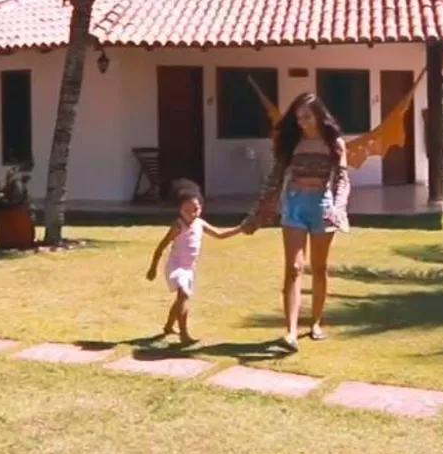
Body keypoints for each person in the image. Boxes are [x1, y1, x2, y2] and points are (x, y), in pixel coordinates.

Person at [241, 93, 349, 351]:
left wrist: (337, 209)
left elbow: (342, 180)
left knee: (319, 268)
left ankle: (316, 323)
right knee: (294, 268)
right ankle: (290, 331)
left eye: (307, 117)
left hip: (322, 205)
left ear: (319, 116)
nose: (302, 122)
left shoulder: (335, 143)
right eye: (298, 117)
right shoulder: (291, 142)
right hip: (294, 203)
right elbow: (274, 179)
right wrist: (256, 215)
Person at [144, 179, 238, 345]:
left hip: (189, 268)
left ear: (201, 208)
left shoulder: (200, 224)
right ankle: (184, 335)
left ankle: (168, 326)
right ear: (180, 210)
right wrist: (153, 268)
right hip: (176, 266)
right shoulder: (178, 226)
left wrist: (241, 228)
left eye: (195, 209)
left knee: (181, 298)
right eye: (187, 210)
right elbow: (161, 246)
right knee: (183, 295)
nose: (192, 214)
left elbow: (219, 235)